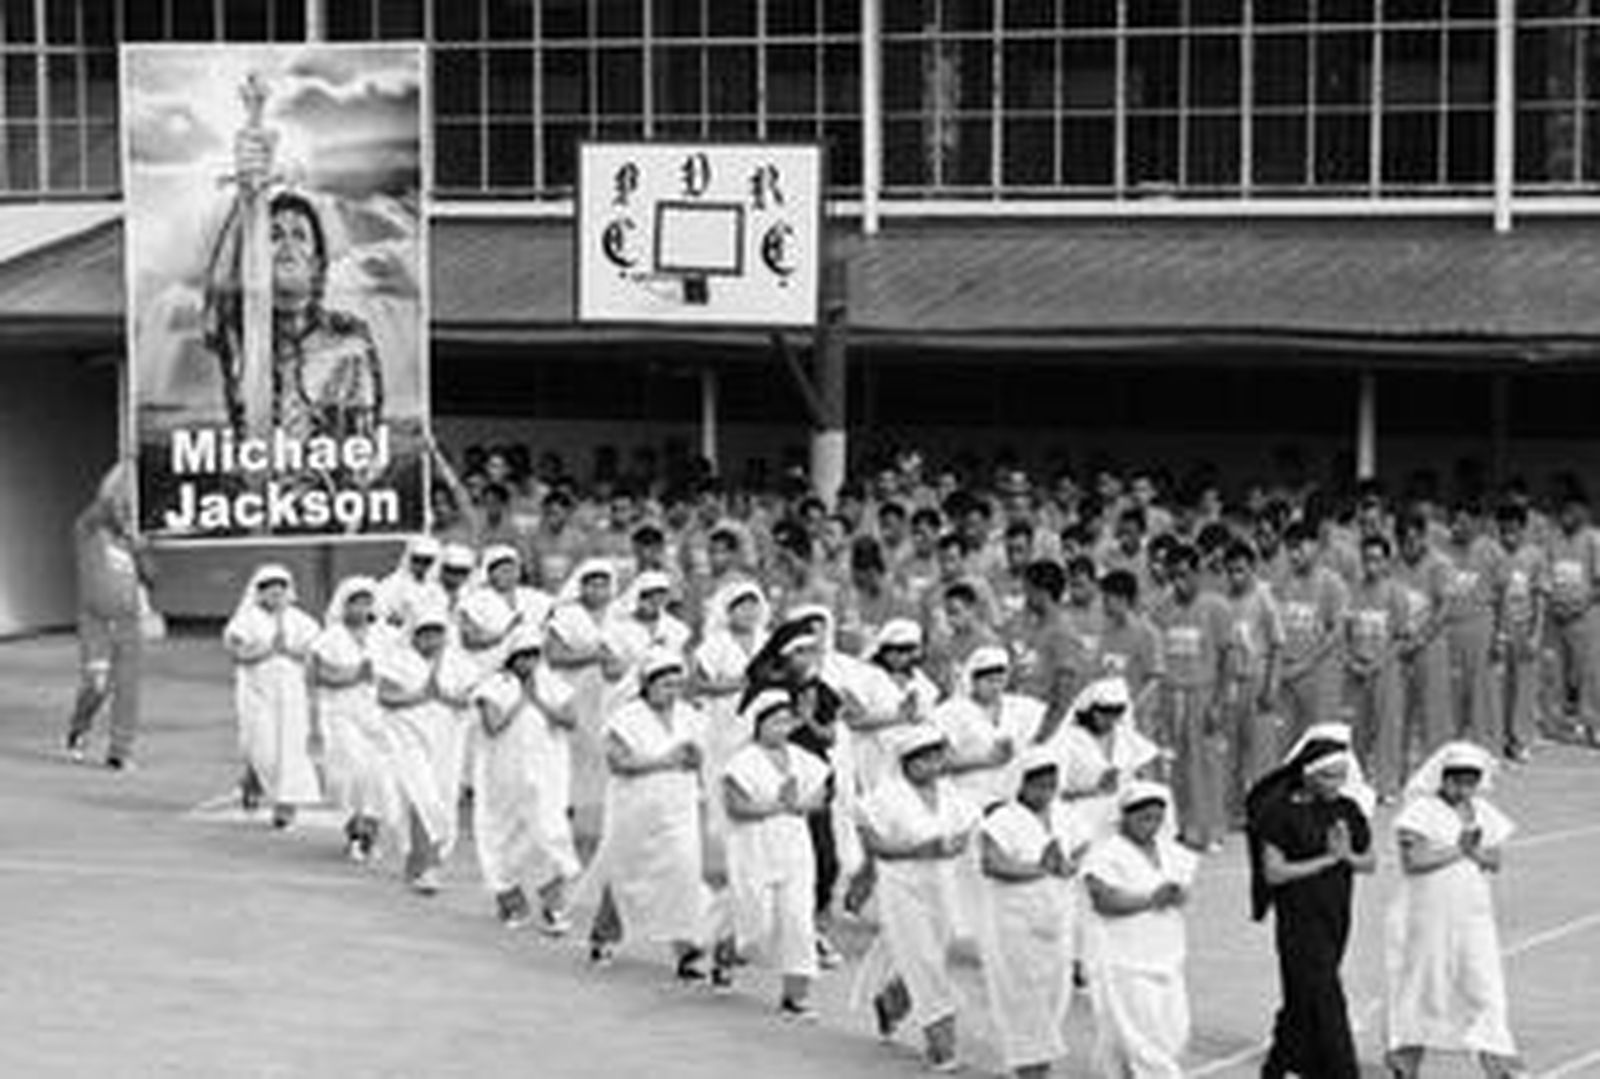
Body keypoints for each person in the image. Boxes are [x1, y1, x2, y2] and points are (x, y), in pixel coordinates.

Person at [580, 648, 727, 982]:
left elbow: (699, 758)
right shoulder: (626, 718)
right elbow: (619, 763)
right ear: (647, 684)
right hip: (634, 808)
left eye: (677, 685)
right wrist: (665, 760)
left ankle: (686, 949)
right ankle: (604, 935)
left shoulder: (690, 716)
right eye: (664, 684)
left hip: (679, 808)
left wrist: (693, 758)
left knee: (684, 873)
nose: (671, 692)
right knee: (626, 874)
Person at [1384, 742, 1523, 1079]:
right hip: (1426, 917)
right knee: (1421, 988)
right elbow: (1414, 862)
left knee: (1485, 986)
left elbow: (1494, 860)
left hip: (1472, 916)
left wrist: (1474, 853)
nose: (1462, 788)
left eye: (1470, 781)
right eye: (1456, 780)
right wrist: (1459, 850)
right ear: (1442, 778)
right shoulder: (1420, 812)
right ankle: (1405, 1063)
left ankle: (1500, 1064)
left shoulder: (1483, 813)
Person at [1247, 733, 1378, 1079]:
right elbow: (1273, 873)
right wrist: (1325, 860)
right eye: (1328, 776)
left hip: (1336, 914)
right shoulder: (1281, 813)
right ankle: (1340, 1071)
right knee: (1326, 996)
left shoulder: (1347, 809)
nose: (1337, 783)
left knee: (1304, 996)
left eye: (1341, 775)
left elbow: (1370, 862)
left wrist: (1347, 855)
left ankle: (1279, 1065)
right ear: (1307, 774)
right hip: (1299, 919)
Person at [853, 725, 980, 1072]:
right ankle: (941, 1046)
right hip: (902, 890)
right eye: (922, 759)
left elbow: (968, 832)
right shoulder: (886, 797)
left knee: (931, 958)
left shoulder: (953, 796)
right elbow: (876, 844)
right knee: (924, 962)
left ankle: (891, 1001)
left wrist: (956, 844)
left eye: (936, 757)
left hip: (942, 889)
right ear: (906, 762)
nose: (931, 765)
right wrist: (917, 849)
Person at [721, 689, 832, 1018]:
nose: (782, 729)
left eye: (787, 721)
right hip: (754, 847)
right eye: (775, 722)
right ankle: (726, 949)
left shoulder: (802, 758)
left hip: (794, 847)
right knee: (756, 928)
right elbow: (736, 808)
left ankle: (795, 997)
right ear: (758, 725)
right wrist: (775, 805)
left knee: (798, 921)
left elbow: (821, 794)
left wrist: (800, 804)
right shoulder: (742, 762)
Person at [977, 748, 1085, 1079]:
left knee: (1055, 995)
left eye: (1051, 785)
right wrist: (1039, 868)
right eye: (1037, 785)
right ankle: (1030, 1070)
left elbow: (1081, 849)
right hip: (1015, 924)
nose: (1045, 792)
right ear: (1020, 784)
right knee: (1023, 998)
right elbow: (992, 863)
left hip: (1057, 919)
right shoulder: (1001, 820)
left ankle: (1038, 1064)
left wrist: (1069, 865)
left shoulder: (1067, 815)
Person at [1083, 781, 1198, 1079]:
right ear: (1125, 816)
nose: (1151, 825)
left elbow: (1182, 891)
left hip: (1167, 954)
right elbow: (1104, 900)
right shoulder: (1106, 853)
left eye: (1157, 818)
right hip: (1124, 960)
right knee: (1147, 1043)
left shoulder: (1172, 852)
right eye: (1144, 818)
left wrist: (1176, 895)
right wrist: (1150, 899)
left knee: (1173, 1033)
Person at [470, 624, 580, 932]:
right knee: (503, 836)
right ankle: (510, 900)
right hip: (503, 776)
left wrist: (540, 702)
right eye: (522, 656)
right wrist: (521, 700)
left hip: (546, 775)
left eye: (534, 655)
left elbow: (571, 719)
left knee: (549, 831)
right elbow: (493, 726)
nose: (528, 662)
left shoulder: (553, 685)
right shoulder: (493, 686)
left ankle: (554, 906)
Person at [374, 598, 479, 894]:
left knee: (442, 800)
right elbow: (385, 697)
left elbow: (471, 698)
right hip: (408, 742)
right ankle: (429, 867)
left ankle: (421, 860)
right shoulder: (398, 660)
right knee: (423, 798)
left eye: (437, 632)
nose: (431, 639)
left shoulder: (460, 663)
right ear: (414, 634)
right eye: (425, 633)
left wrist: (445, 696)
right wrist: (420, 695)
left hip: (448, 743)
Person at [222, 564, 322, 829]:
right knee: (262, 749)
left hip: (291, 697)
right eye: (270, 591)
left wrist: (289, 651)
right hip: (256, 695)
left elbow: (314, 657)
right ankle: (253, 776)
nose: (276, 596)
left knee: (291, 751)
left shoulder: (301, 621)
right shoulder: (246, 619)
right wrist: (266, 651)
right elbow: (236, 653)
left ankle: (285, 806)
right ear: (259, 593)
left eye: (281, 590)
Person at [67, 461, 153, 770]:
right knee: (97, 684)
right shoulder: (88, 531)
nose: (124, 514)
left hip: (128, 624)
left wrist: (141, 551)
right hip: (96, 622)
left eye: (129, 510)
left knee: (128, 689)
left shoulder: (131, 543)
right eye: (122, 508)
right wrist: (128, 465)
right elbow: (104, 502)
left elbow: (152, 580)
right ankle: (79, 728)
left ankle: (120, 751)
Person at [1150, 544, 1233, 849]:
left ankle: (1212, 829)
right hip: (1172, 695)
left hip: (1203, 693)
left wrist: (1218, 703)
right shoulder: (1162, 607)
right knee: (1177, 766)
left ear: (1197, 573)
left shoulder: (1217, 607)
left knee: (1207, 764)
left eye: (1184, 575)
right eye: (1173, 577)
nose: (1179, 583)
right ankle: (1185, 827)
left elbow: (1227, 658)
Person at [308, 575, 394, 861]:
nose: (361, 608)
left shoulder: (386, 636)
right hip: (341, 715)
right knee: (350, 772)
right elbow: (319, 675)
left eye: (366, 602)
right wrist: (356, 674)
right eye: (355, 602)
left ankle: (370, 831)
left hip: (378, 716)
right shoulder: (328, 639)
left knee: (379, 774)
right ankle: (353, 828)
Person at [1346, 534, 1411, 800]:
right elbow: (1345, 632)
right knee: (1357, 729)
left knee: (1387, 728)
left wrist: (1378, 664)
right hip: (1356, 670)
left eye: (1376, 559)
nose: (1370, 564)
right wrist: (1352, 661)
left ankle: (1387, 786)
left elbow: (1401, 638)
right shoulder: (1352, 591)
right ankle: (1358, 783)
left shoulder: (1396, 593)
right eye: (1366, 559)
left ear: (1386, 561)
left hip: (1385, 671)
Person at [1275, 521, 1349, 743]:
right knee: (1287, 745)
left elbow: (1337, 632)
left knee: (1319, 743)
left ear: (1315, 546)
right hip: (1288, 677)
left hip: (1319, 679)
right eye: (1289, 549)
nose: (1294, 555)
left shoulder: (1332, 583)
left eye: (1299, 548)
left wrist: (1305, 664)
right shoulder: (1282, 583)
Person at [1491, 504, 1547, 760]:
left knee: (1524, 688)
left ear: (1523, 530)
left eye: (1513, 531)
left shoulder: (1535, 556)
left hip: (1524, 627)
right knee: (1498, 687)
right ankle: (1498, 737)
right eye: (1503, 531)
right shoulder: (1492, 554)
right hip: (1496, 629)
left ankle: (1520, 739)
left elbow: (1541, 596)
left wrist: (1536, 634)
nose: (1508, 537)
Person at [375, 535, 442, 629]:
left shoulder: (437, 587)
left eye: (427, 561)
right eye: (417, 560)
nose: (421, 565)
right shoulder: (392, 583)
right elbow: (379, 610)